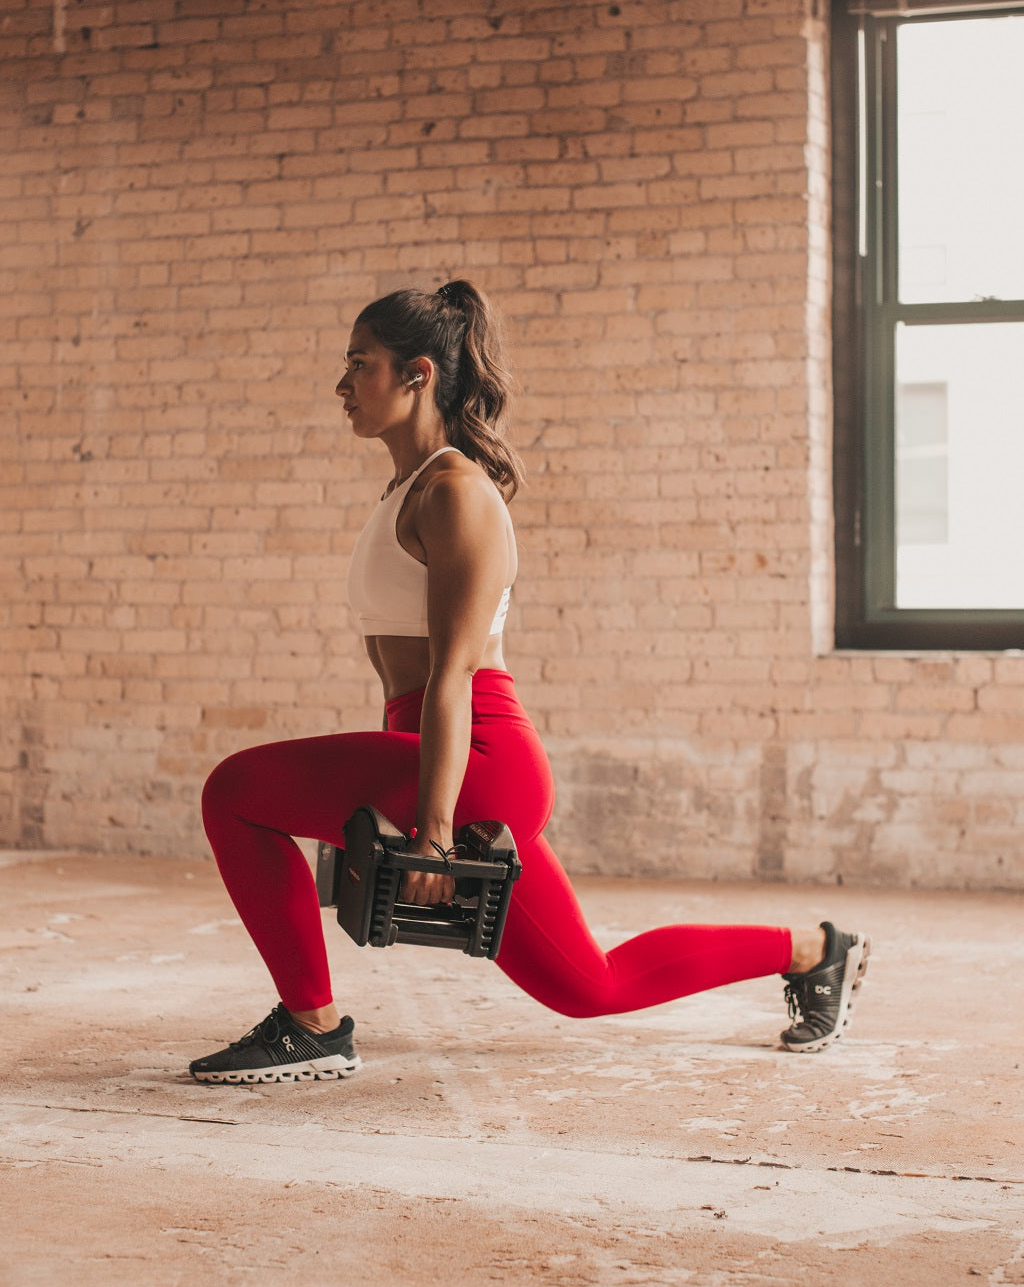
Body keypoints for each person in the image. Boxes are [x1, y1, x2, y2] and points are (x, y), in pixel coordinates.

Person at [190, 280, 871, 1085]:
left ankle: (312, 1025)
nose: (343, 384)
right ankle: (816, 952)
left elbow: (453, 675)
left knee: (235, 791)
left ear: (416, 375)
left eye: (358, 363)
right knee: (591, 987)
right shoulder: (408, 489)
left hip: (480, 757)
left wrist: (434, 831)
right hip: (438, 750)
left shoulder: (455, 494)